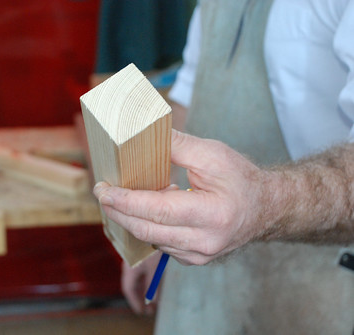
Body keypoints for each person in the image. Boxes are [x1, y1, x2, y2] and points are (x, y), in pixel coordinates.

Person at [94, 0, 354, 334]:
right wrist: (152, 235)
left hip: (311, 286)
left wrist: (264, 203)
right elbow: (190, 95)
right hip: (198, 283)